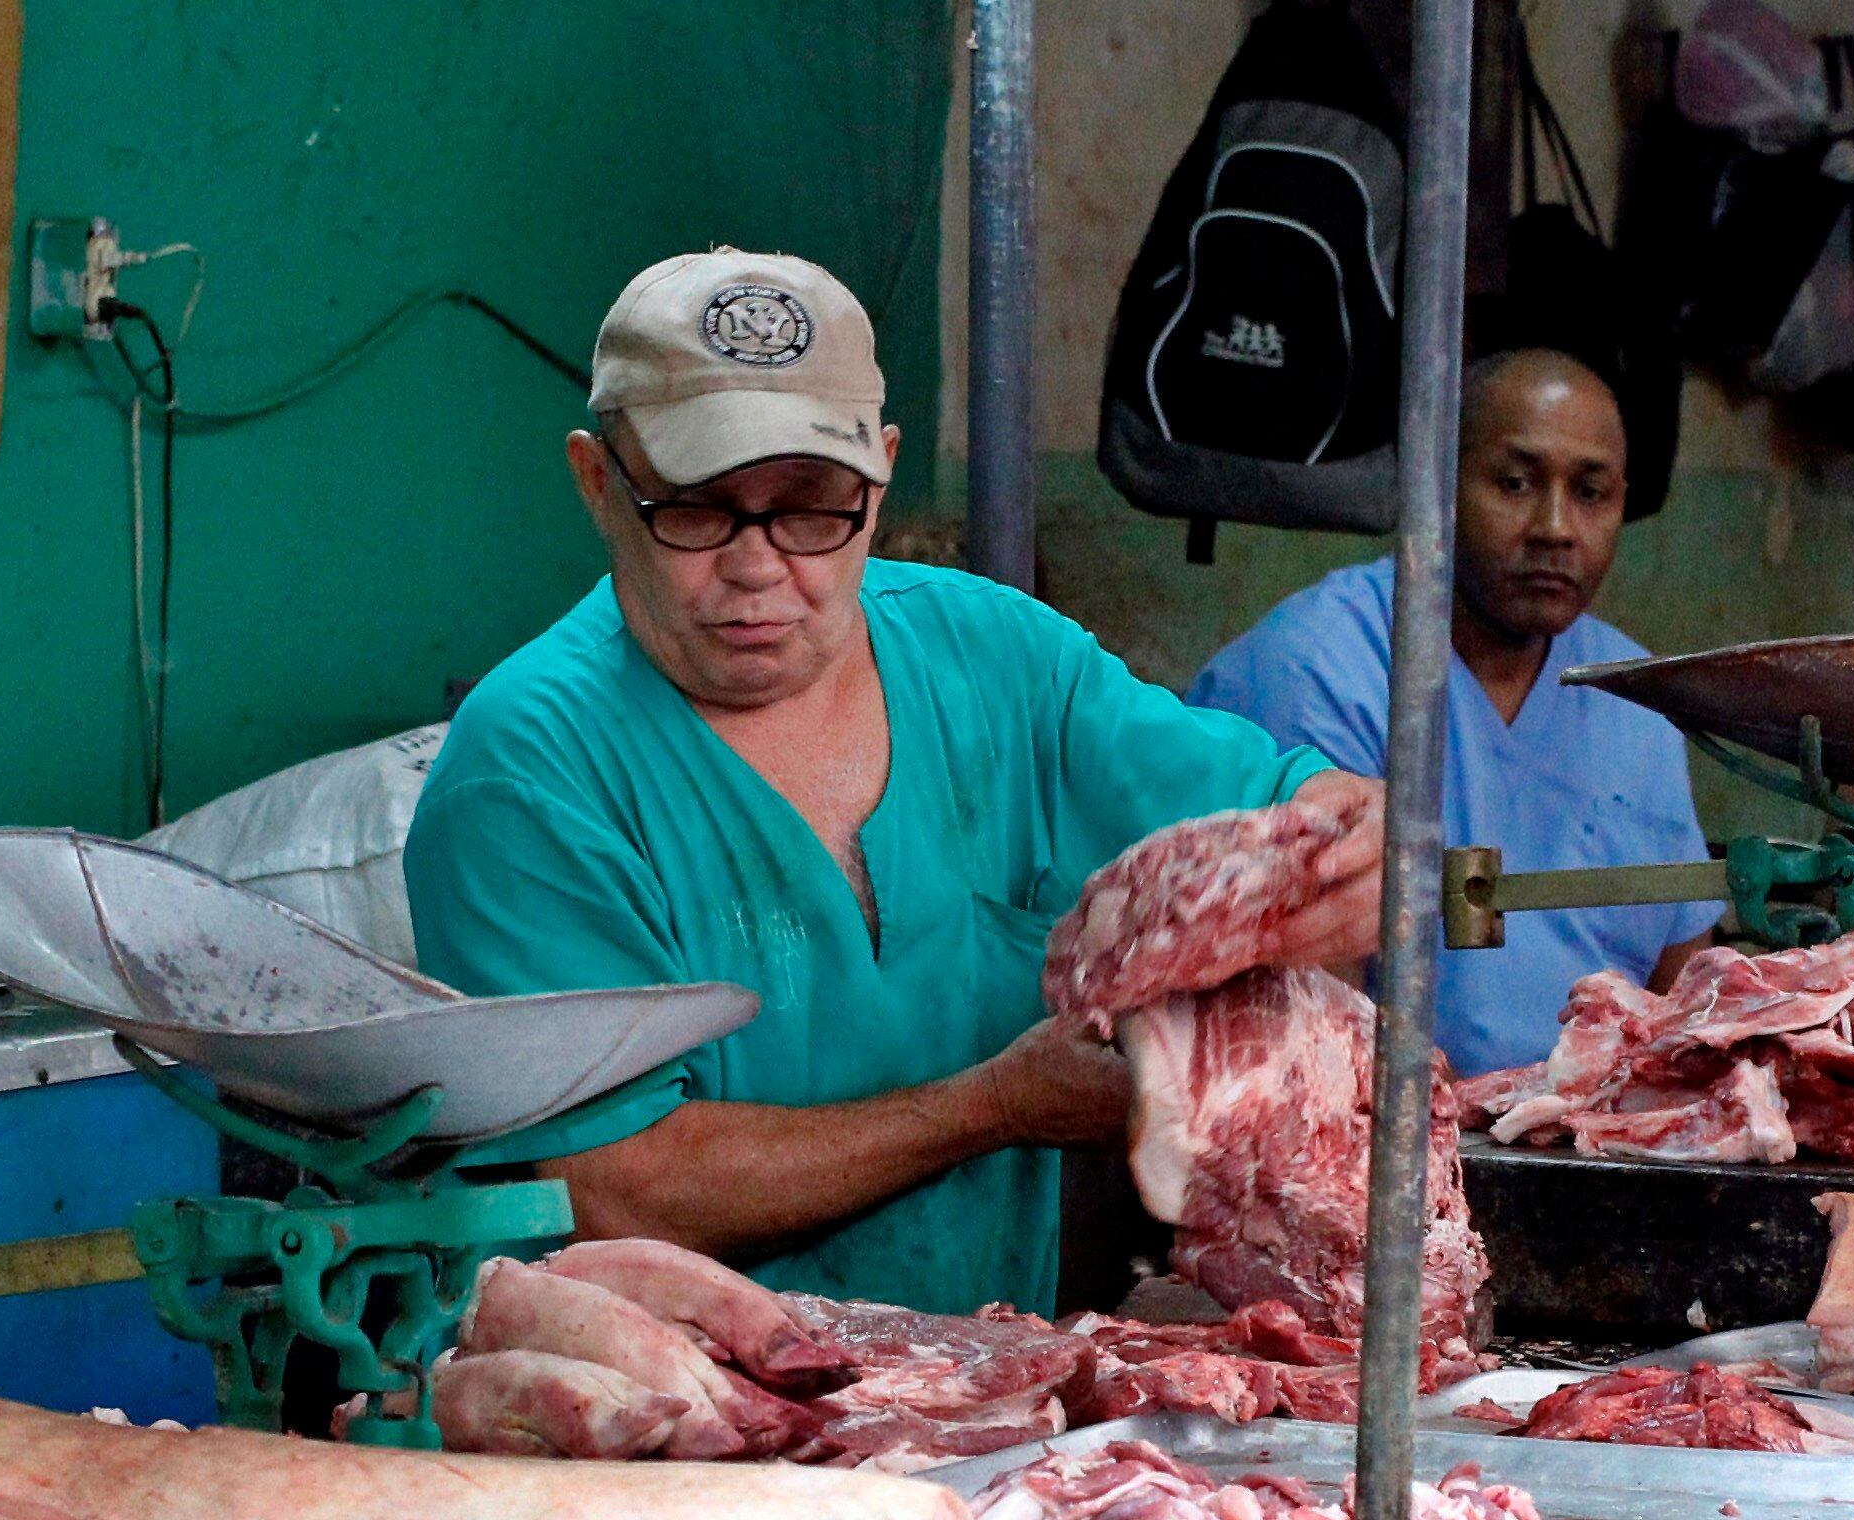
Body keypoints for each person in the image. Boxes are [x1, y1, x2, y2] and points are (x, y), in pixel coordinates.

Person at [402, 248, 1378, 1319]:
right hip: (670, 1430)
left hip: (969, 1400)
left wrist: (1348, 844)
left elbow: (1291, 810)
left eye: (814, 505)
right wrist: (992, 1104)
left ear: (881, 474)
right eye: (694, 507)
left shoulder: (996, 658)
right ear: (598, 481)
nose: (758, 564)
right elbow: (610, 1186)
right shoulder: (529, 770)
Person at [1189, 343, 1714, 1075]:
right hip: (1384, 1143)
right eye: (1515, 482)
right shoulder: (1316, 672)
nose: (1555, 527)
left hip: (1594, 1142)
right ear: (1437, 482)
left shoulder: (1637, 702)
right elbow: (1307, 1033)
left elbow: (1688, 988)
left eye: (1591, 494)